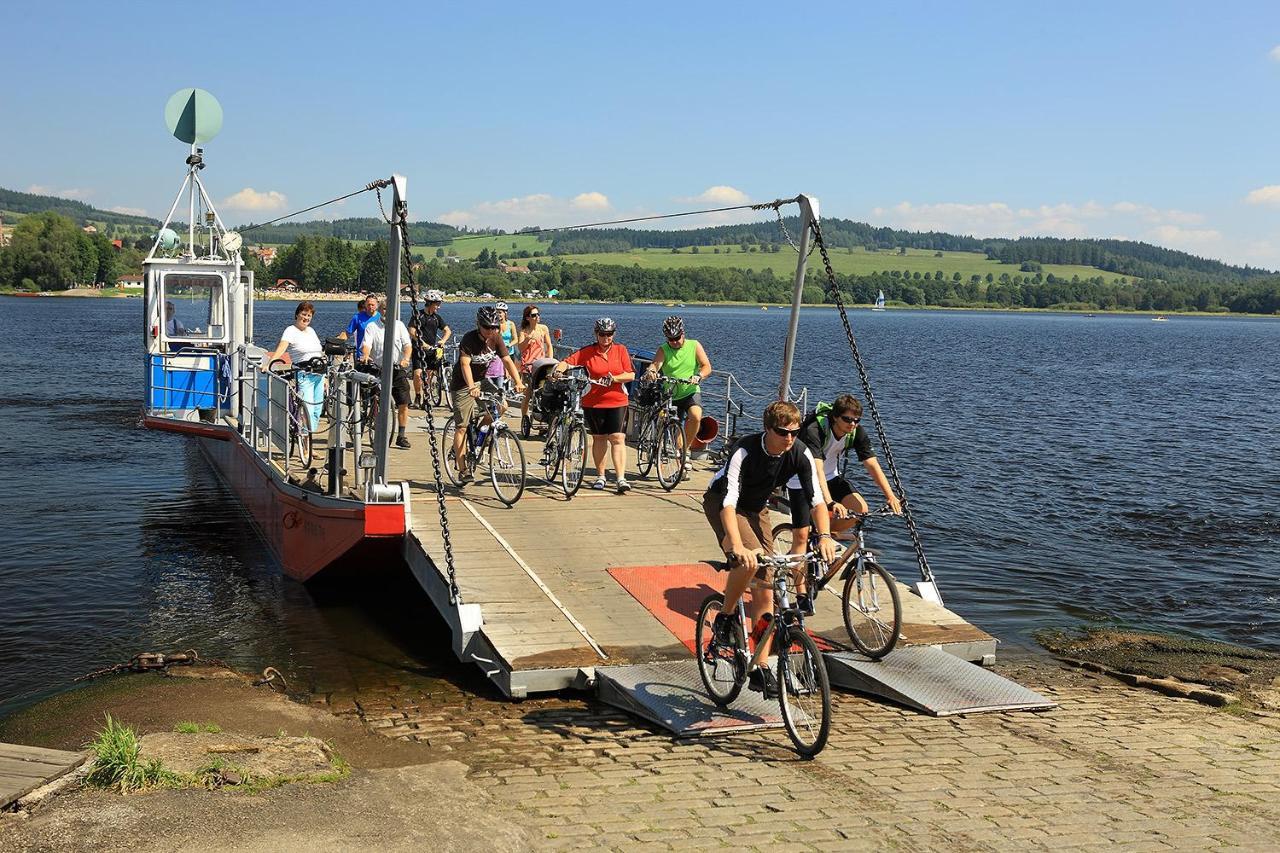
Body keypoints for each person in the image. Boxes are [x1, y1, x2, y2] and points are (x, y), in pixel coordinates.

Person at [703, 400, 836, 696]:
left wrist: (825, 536)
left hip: (757, 509)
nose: (790, 438)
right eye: (782, 432)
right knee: (749, 563)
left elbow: (816, 500)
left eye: (795, 432)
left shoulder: (798, 452)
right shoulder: (745, 450)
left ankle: (761, 668)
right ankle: (724, 618)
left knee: (767, 583)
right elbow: (728, 501)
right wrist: (736, 544)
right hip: (723, 504)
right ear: (767, 429)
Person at [785, 395, 902, 553]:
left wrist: (890, 496)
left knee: (860, 510)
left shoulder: (855, 432)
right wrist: (830, 502)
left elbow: (872, 464)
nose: (852, 424)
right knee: (801, 536)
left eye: (856, 420)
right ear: (835, 417)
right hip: (802, 480)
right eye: (847, 419)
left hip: (831, 477)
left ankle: (821, 532)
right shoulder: (815, 430)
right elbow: (817, 470)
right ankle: (810, 541)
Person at [552, 317, 636, 494]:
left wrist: (614, 378)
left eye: (609, 334)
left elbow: (630, 375)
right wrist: (559, 370)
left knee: (617, 438)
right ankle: (601, 475)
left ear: (614, 334)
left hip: (618, 400)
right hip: (594, 402)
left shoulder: (621, 350)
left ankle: (621, 478)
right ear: (596, 334)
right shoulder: (588, 351)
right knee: (599, 438)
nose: (606, 338)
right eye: (602, 334)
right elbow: (568, 362)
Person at [450, 306, 524, 482]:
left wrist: (518, 381)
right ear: (479, 325)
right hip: (463, 383)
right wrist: (470, 387)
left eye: (495, 327)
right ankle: (463, 469)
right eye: (487, 327)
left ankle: (479, 430)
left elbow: (507, 360)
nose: (492, 331)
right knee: (461, 426)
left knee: (502, 406)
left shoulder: (496, 338)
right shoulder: (469, 339)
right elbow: (465, 365)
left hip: (483, 381)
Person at [644, 316, 713, 461]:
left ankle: (684, 452)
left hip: (689, 391)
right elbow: (655, 365)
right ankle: (661, 446)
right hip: (670, 393)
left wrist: (699, 376)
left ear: (683, 333)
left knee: (695, 416)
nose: (674, 342)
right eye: (671, 339)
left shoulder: (694, 345)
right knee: (668, 421)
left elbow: (706, 366)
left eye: (677, 338)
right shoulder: (663, 349)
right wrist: (651, 372)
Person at [263, 301, 324, 434]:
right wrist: (269, 364)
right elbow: (281, 349)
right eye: (304, 314)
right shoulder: (290, 330)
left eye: (309, 315)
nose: (306, 318)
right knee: (307, 410)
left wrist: (326, 378)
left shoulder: (311, 331)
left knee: (317, 411)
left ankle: (308, 439)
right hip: (304, 374)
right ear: (297, 314)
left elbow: (319, 352)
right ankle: (307, 445)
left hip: (319, 374)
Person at [361, 300, 414, 449]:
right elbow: (367, 344)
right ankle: (376, 428)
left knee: (403, 402)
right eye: (384, 309)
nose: (386, 312)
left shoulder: (399, 326)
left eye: (389, 309)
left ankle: (401, 435)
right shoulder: (372, 326)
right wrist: (365, 355)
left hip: (397, 368)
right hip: (378, 368)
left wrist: (406, 358)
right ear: (380, 310)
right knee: (376, 399)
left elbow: (407, 345)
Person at [414, 290, 451, 409]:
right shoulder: (418, 315)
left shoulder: (436, 318)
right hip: (419, 349)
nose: (438, 307)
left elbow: (447, 330)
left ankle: (426, 397)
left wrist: (443, 340)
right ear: (429, 303)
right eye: (437, 304)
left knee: (429, 375)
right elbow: (411, 331)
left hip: (431, 350)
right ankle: (418, 396)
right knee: (418, 374)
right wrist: (422, 342)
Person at [517, 305, 554, 422]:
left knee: (543, 391)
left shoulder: (543, 328)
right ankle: (525, 417)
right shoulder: (524, 331)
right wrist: (528, 339)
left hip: (541, 364)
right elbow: (521, 348)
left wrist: (550, 360)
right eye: (534, 315)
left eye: (538, 314)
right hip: (528, 365)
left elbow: (549, 345)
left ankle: (543, 418)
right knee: (528, 392)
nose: (537, 317)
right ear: (528, 317)